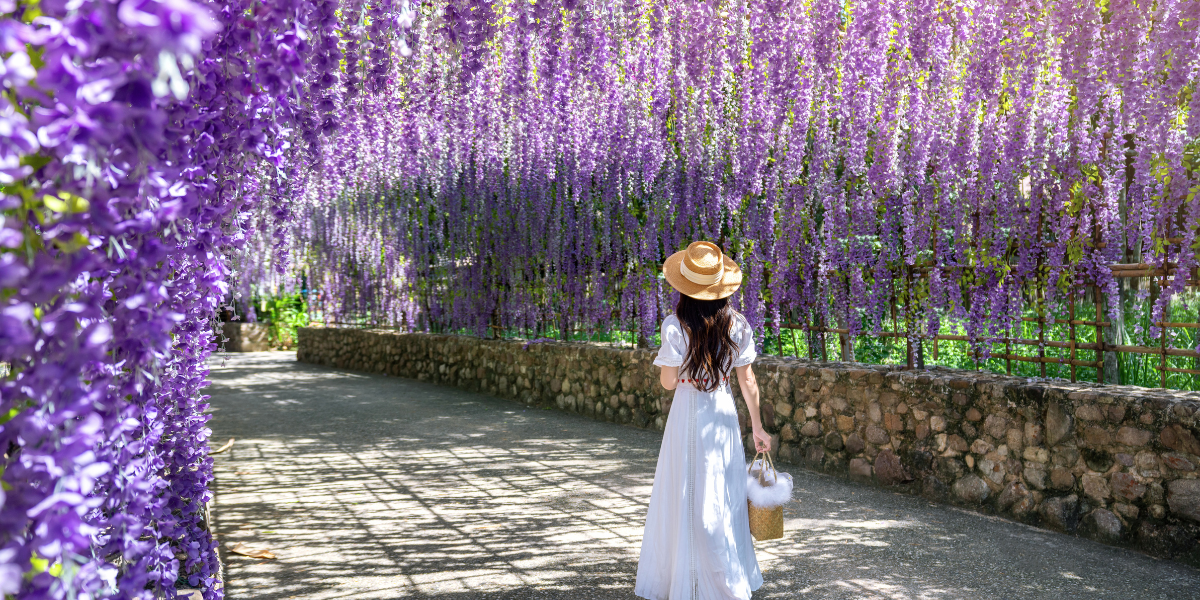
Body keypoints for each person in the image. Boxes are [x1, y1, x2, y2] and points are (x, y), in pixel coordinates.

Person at [634, 241, 771, 600]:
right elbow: (748, 381)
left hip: (687, 413)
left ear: (684, 287)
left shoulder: (674, 326)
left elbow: (668, 382)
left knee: (687, 490)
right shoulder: (737, 324)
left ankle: (687, 577)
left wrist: (680, 367)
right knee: (721, 491)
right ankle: (723, 573)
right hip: (721, 413)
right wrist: (757, 427)